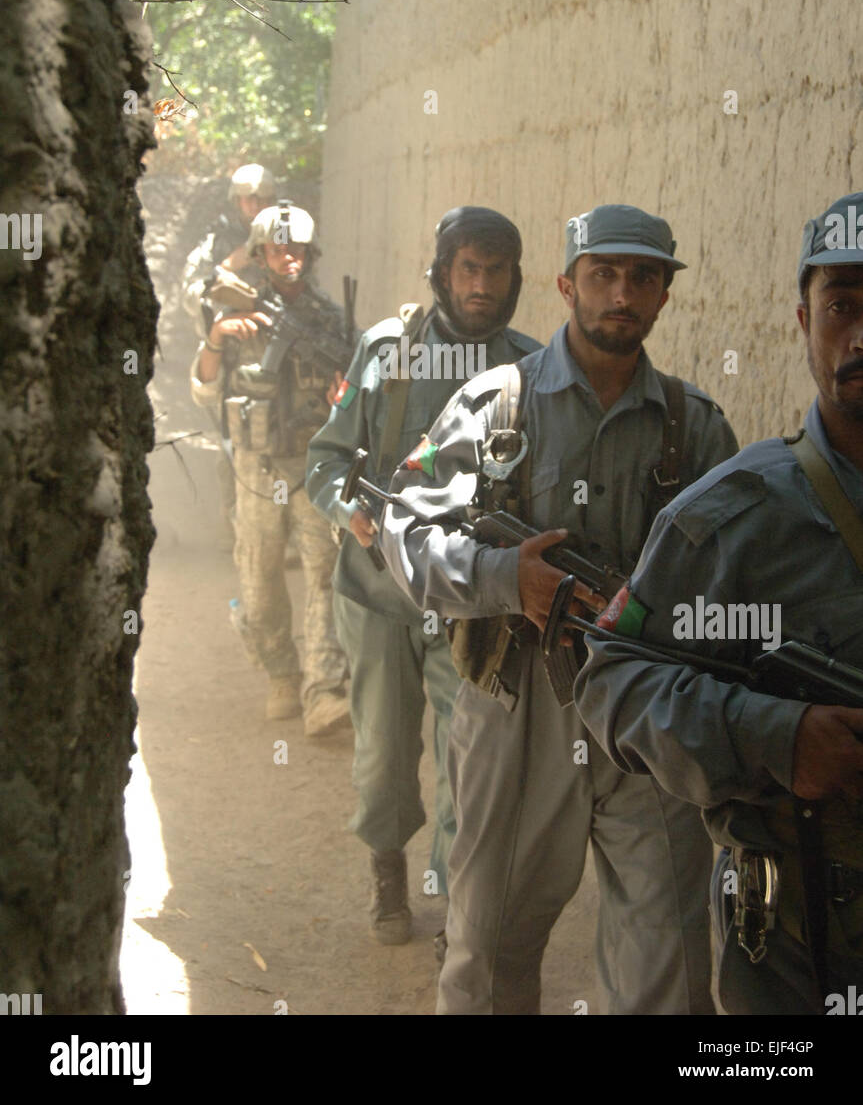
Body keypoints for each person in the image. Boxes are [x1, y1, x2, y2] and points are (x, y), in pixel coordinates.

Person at [380, 204, 739, 1014]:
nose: (622, 293)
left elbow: (738, 576)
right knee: (490, 946)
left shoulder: (698, 427)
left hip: (651, 713)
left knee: (669, 955)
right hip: (518, 708)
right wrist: (508, 578)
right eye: (602, 275)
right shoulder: (492, 405)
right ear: (565, 284)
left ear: (662, 296)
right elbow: (405, 531)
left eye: (641, 278)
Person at [574, 191, 863, 1016]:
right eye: (839, 304)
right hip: (799, 946)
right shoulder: (732, 515)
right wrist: (776, 737)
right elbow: (611, 681)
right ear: (801, 322)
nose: (859, 333)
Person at [305, 207, 540, 945]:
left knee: (468, 764)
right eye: (467, 268)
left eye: (494, 270)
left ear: (514, 280)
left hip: (469, 605)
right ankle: (386, 866)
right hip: (378, 595)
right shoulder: (384, 349)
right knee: (381, 758)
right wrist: (353, 514)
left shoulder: (529, 370)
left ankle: (455, 906)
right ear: (441, 274)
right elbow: (325, 462)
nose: (480, 285)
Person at [191, 202, 353, 738]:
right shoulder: (238, 312)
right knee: (259, 589)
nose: (290, 258)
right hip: (256, 470)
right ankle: (282, 674)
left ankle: (324, 691)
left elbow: (352, 397)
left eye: (298, 250)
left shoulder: (330, 319)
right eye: (279, 249)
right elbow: (205, 389)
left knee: (325, 577)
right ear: (261, 255)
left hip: (313, 465)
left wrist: (343, 398)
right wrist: (217, 337)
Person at [182, 163, 277, 334]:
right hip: (225, 342)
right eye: (248, 198)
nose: (255, 206)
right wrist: (225, 269)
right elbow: (190, 297)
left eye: (261, 199)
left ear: (271, 201)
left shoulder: (283, 240)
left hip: (273, 336)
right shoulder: (217, 241)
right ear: (238, 201)